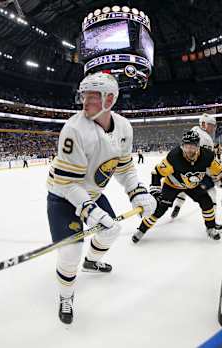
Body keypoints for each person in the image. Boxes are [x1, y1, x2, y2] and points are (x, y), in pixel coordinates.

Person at [46, 72, 157, 324]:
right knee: (70, 252)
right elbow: (67, 183)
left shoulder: (124, 128)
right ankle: (66, 296)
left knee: (111, 230)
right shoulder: (74, 129)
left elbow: (125, 168)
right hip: (63, 194)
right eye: (84, 95)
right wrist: (91, 211)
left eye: (93, 97)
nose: (86, 101)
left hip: (91, 192)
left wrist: (138, 192)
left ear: (110, 99)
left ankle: (92, 263)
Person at [132, 130, 222, 243]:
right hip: (172, 185)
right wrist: (155, 191)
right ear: (182, 146)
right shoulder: (174, 156)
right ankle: (141, 230)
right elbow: (156, 172)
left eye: (193, 147)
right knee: (159, 209)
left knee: (207, 202)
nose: (189, 151)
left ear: (198, 147)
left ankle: (210, 227)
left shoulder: (207, 156)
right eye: (186, 147)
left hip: (193, 186)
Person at [171, 114, 218, 222]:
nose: (212, 127)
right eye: (210, 125)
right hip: (198, 171)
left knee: (184, 188)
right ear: (203, 124)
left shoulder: (194, 130)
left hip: (185, 168)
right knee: (212, 193)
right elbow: (206, 160)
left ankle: (177, 206)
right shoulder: (206, 138)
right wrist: (214, 174)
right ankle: (212, 220)